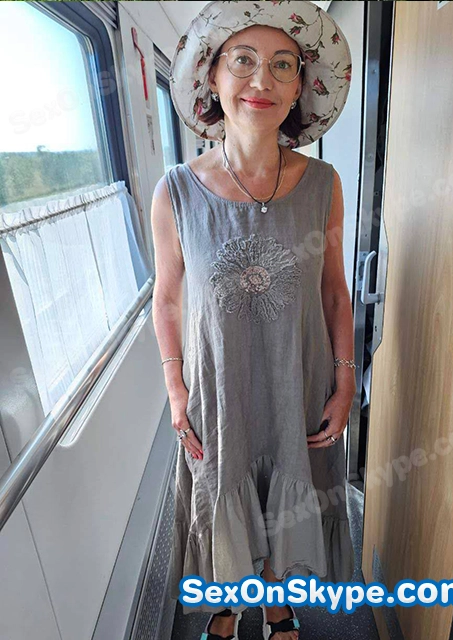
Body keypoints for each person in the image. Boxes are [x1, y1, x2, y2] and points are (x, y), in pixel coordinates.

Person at [151, 2, 355, 638]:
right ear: (212, 78)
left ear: (298, 90)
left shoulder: (324, 183)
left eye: (282, 65)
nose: (261, 80)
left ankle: (278, 608)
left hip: (300, 382)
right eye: (242, 61)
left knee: (287, 494)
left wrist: (346, 380)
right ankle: (228, 603)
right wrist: (175, 387)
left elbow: (334, 292)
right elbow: (168, 297)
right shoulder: (175, 190)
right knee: (226, 488)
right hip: (220, 388)